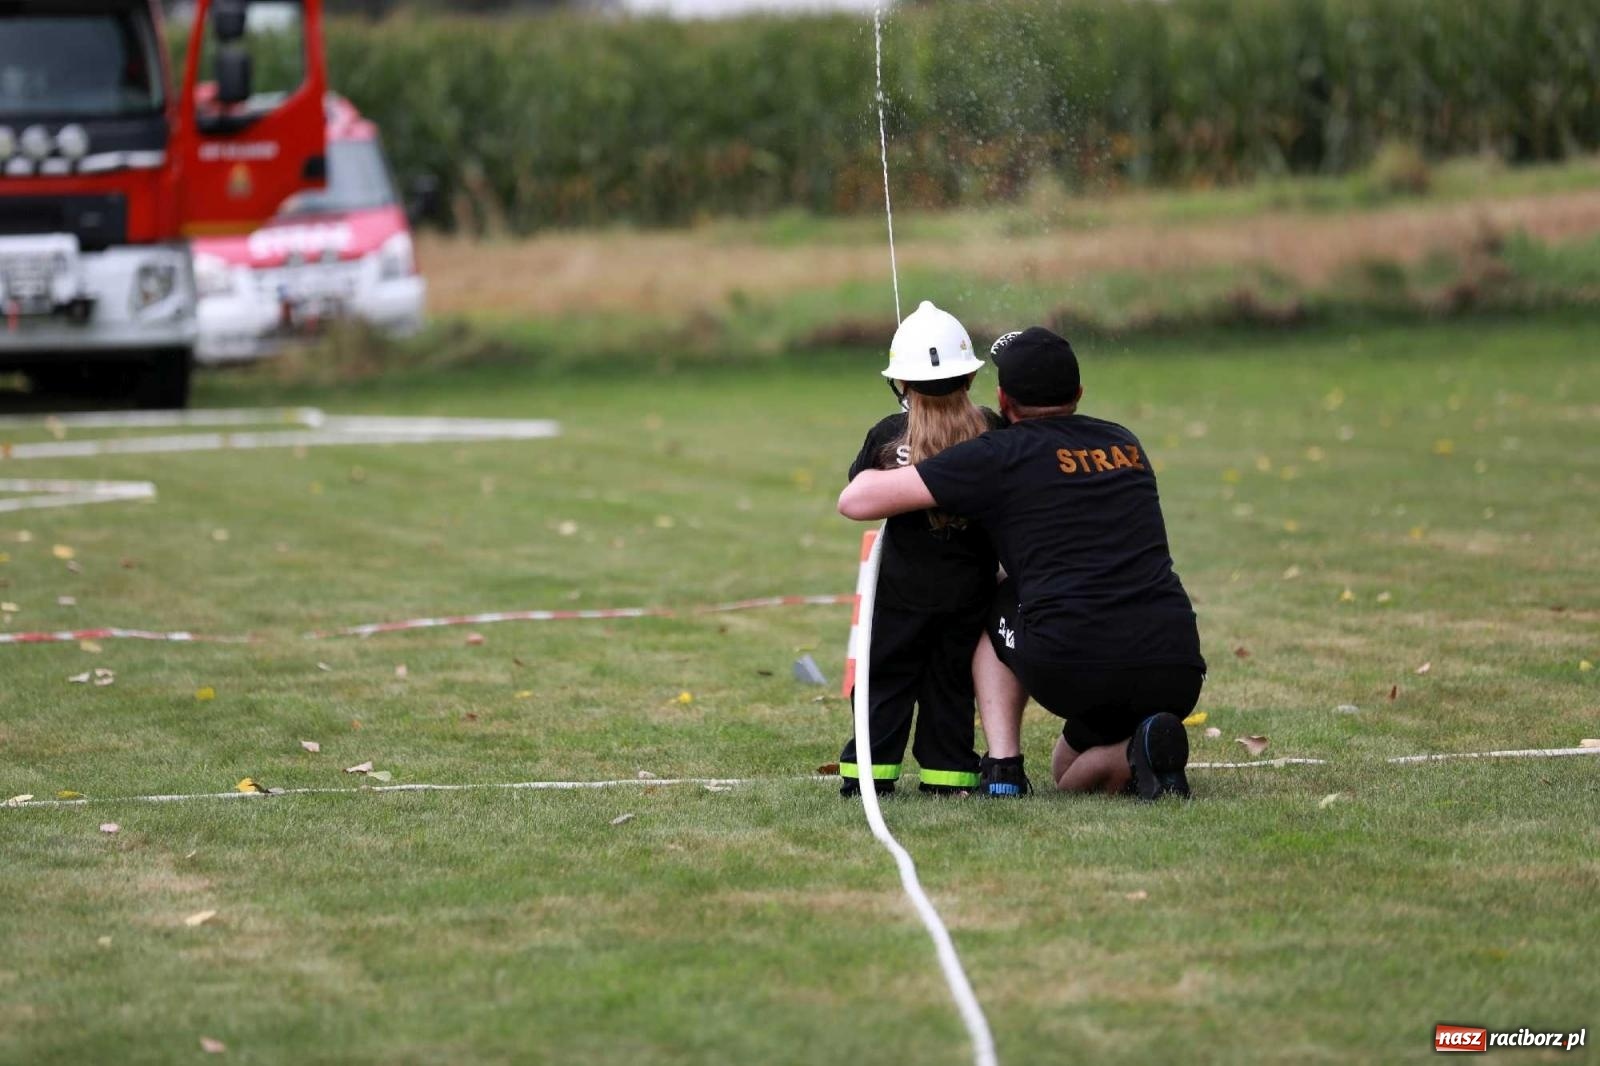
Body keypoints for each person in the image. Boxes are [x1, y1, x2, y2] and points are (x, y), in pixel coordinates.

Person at [838, 326, 1205, 800]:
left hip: (1075, 662)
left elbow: (856, 500)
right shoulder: (1124, 441)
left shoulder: (998, 453)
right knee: (1066, 774)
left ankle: (1004, 767)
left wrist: (914, 452)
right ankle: (1141, 749)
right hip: (1175, 664)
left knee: (995, 594)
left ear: (1003, 399)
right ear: (1078, 393)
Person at [836, 301, 1004, 797]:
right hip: (969, 590)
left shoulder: (889, 436)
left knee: (883, 680)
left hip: (901, 592)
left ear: (901, 383)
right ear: (969, 376)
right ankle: (949, 776)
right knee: (951, 682)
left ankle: (868, 776)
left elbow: (859, 488)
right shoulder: (992, 430)